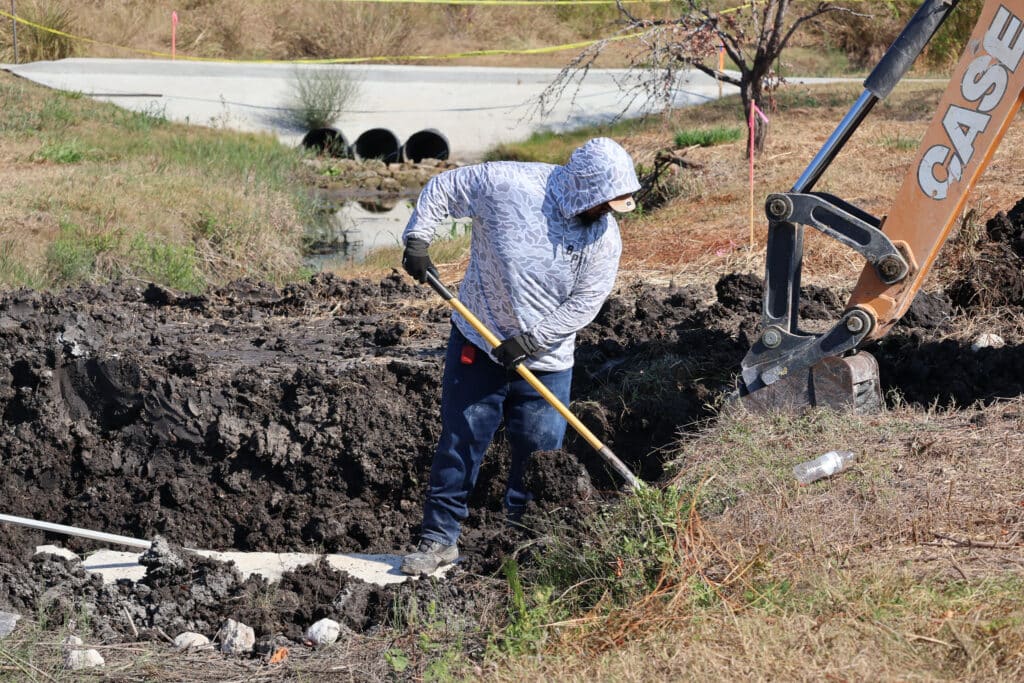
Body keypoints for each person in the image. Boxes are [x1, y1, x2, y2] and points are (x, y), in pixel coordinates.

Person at [398, 137, 640, 575]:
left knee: (540, 457)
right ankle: (438, 540)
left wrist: (531, 342)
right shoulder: (506, 183)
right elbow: (444, 187)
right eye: (604, 202)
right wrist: (418, 238)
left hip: (546, 361)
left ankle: (527, 546)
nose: (608, 212)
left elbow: (586, 302)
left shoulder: (605, 239)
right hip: (479, 341)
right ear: (584, 188)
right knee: (461, 441)